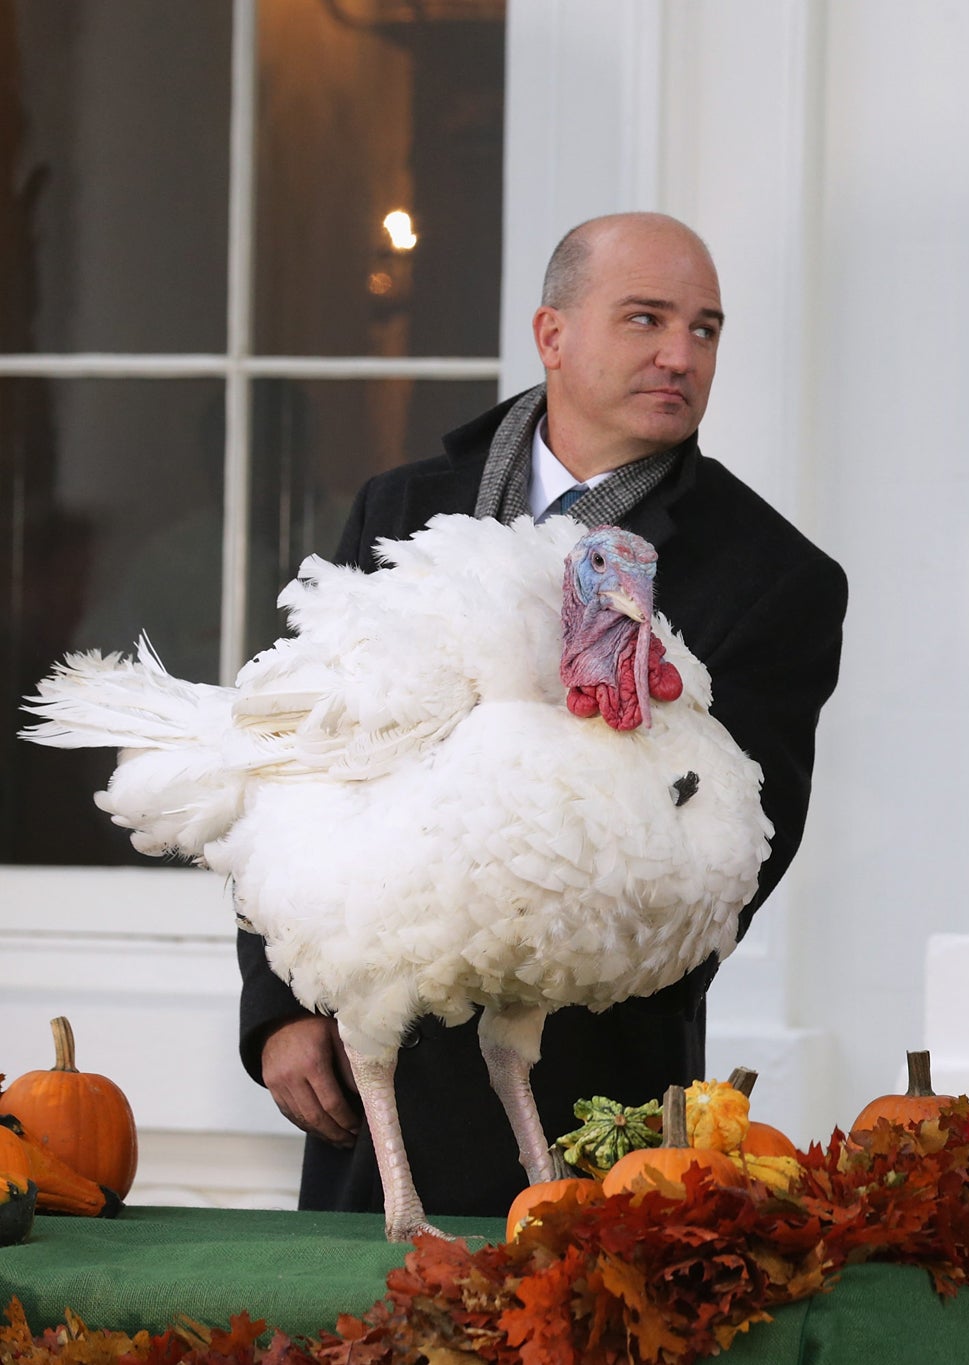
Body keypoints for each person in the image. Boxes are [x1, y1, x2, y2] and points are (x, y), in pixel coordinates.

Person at [237, 212, 848, 1218]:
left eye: (705, 330)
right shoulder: (399, 507)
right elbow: (293, 756)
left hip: (582, 1090)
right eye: (645, 319)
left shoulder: (772, 574)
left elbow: (737, 854)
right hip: (373, 1069)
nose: (679, 354)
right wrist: (280, 1008)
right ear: (552, 336)